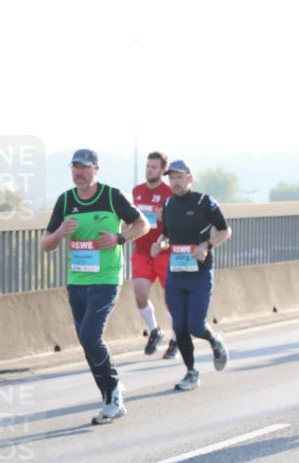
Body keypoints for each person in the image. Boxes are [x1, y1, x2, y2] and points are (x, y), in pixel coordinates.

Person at [41, 149, 149, 423]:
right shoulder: (65, 200)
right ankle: (110, 395)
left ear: (96, 169)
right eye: (75, 168)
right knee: (87, 343)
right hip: (77, 282)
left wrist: (119, 238)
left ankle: (112, 390)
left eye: (85, 168)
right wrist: (59, 233)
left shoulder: (111, 196)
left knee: (90, 337)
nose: (79, 173)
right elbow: (45, 245)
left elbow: (142, 224)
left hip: (106, 279)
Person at [151, 160, 231, 391]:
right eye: (171, 178)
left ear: (189, 178)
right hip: (176, 273)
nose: (174, 182)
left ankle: (215, 341)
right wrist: (160, 244)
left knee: (196, 326)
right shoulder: (168, 205)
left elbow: (226, 231)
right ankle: (191, 372)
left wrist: (206, 245)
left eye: (179, 177)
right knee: (180, 327)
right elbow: (166, 235)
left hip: (199, 273)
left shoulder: (205, 202)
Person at [131, 151, 178, 359]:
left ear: (162, 170)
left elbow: (179, 224)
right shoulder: (137, 191)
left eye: (154, 167)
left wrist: (165, 216)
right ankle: (155, 331)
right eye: (148, 166)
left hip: (163, 251)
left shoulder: (169, 193)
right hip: (142, 251)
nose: (149, 170)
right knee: (140, 295)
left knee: (171, 300)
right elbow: (133, 218)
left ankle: (176, 339)